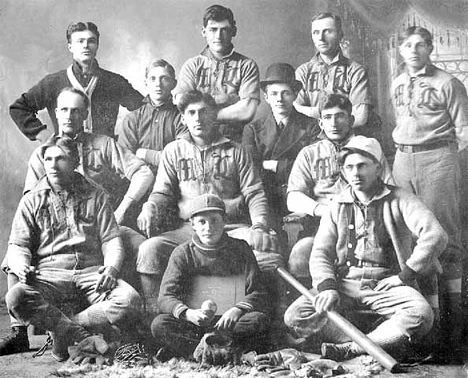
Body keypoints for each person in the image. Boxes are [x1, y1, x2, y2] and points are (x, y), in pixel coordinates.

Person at [0, 87, 152, 356]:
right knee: (15, 282)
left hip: (92, 258)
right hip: (50, 265)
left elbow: (111, 239)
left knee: (129, 298)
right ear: (57, 113)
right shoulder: (40, 164)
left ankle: (63, 329)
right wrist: (22, 262)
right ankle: (25, 332)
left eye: (62, 160)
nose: (53, 165)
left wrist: (112, 267)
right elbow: (23, 234)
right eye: (50, 160)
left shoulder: (102, 152)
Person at [284, 137, 446, 361]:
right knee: (295, 316)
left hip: (385, 285)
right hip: (345, 284)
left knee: (420, 315)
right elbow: (321, 252)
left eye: (362, 166)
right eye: (349, 167)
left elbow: (436, 235)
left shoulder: (401, 199)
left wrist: (404, 275)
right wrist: (328, 288)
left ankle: (352, 349)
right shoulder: (336, 206)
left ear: (378, 167)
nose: (355, 173)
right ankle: (380, 342)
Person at [136, 90, 280, 318]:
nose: (197, 118)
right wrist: (150, 206)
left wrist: (260, 225)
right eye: (191, 113)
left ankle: (266, 324)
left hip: (231, 228)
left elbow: (254, 192)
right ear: (183, 117)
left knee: (268, 255)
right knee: (149, 250)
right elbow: (162, 191)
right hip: (189, 230)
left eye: (204, 111)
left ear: (214, 115)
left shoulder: (236, 151)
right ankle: (156, 319)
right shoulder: (174, 151)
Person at [392, 26, 468, 356]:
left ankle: (453, 330)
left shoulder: (447, 83)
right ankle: (429, 328)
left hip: (438, 157)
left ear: (431, 48)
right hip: (402, 159)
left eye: (421, 45)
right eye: (407, 45)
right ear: (400, 50)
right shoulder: (396, 83)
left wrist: (450, 165)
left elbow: (465, 132)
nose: (414, 50)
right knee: (412, 240)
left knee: (445, 240)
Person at [286, 94, 393, 286]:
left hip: (366, 225)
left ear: (351, 119)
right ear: (320, 123)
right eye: (327, 117)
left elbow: (389, 189)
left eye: (340, 116)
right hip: (324, 226)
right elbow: (293, 197)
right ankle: (317, 309)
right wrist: (324, 211)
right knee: (300, 254)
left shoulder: (368, 148)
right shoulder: (310, 153)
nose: (334, 123)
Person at [151, 194, 270, 362]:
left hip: (229, 324)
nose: (209, 227)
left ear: (225, 221)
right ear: (192, 224)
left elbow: (258, 291)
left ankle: (203, 351)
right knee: (160, 324)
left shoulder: (241, 249)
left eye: (214, 220)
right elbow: (165, 297)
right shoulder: (182, 253)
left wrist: (238, 309)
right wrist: (188, 314)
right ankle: (221, 351)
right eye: (202, 222)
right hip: (195, 324)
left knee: (258, 320)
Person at [10, 21, 143, 141]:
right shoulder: (53, 82)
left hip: (105, 158)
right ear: (70, 47)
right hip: (65, 155)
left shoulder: (114, 81)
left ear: (97, 46)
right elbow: (19, 108)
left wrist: (129, 140)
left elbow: (145, 109)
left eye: (91, 41)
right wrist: (43, 135)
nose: (86, 45)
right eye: (80, 41)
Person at [242, 63, 320, 230]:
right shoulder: (252, 129)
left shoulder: (311, 126)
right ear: (266, 97)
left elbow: (313, 168)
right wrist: (287, 166)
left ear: (295, 95)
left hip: (302, 194)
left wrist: (273, 165)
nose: (279, 99)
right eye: (274, 94)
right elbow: (251, 170)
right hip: (265, 197)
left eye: (285, 93)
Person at [174, 4, 260, 141]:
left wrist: (203, 113)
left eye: (224, 30)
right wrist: (229, 99)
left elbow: (247, 111)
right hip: (194, 139)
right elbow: (182, 103)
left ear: (233, 31)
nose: (218, 36)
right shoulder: (192, 65)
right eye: (213, 30)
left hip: (233, 139)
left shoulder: (246, 65)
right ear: (204, 32)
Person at [294, 13, 378, 138]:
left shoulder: (355, 71)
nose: (321, 38)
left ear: (340, 35)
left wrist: (312, 112)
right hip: (310, 141)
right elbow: (296, 114)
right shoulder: (303, 72)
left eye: (327, 31)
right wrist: (340, 117)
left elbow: (360, 118)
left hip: (347, 142)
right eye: (316, 32)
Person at [117, 59, 187, 174]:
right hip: (139, 180)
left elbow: (182, 157)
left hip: (174, 180)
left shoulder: (182, 117)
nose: (158, 84)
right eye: (152, 79)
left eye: (164, 78)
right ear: (146, 83)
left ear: (174, 84)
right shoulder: (133, 119)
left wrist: (144, 154)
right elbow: (124, 161)